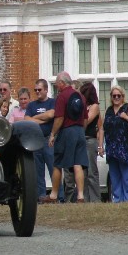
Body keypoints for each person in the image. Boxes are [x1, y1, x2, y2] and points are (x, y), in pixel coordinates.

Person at [46, 72, 88, 203]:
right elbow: (85, 119)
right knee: (78, 163)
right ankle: (80, 196)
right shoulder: (81, 96)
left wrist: (53, 134)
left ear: (62, 83)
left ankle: (53, 195)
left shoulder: (62, 96)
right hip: (80, 131)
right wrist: (80, 131)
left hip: (67, 132)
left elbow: (59, 118)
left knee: (57, 163)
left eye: (57, 84)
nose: (56, 86)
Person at [99, 85, 128, 202]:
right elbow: (102, 129)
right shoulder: (108, 110)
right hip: (112, 149)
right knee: (115, 177)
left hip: (125, 149)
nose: (116, 98)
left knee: (127, 177)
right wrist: (100, 146)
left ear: (123, 96)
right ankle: (117, 200)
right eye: (114, 96)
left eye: (119, 95)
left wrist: (127, 118)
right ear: (111, 97)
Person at [25, 79, 58, 202]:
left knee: (53, 168)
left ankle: (58, 196)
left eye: (39, 89)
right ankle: (41, 196)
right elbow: (26, 120)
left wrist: (35, 118)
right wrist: (43, 120)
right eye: (35, 90)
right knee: (38, 171)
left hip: (49, 140)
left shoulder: (52, 102)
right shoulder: (31, 105)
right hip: (35, 140)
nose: (37, 92)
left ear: (46, 90)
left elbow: (51, 115)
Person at [78, 82, 101, 202]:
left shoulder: (94, 106)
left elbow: (87, 120)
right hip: (81, 139)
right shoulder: (82, 106)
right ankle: (85, 199)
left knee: (92, 171)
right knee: (83, 172)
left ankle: (95, 199)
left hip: (90, 140)